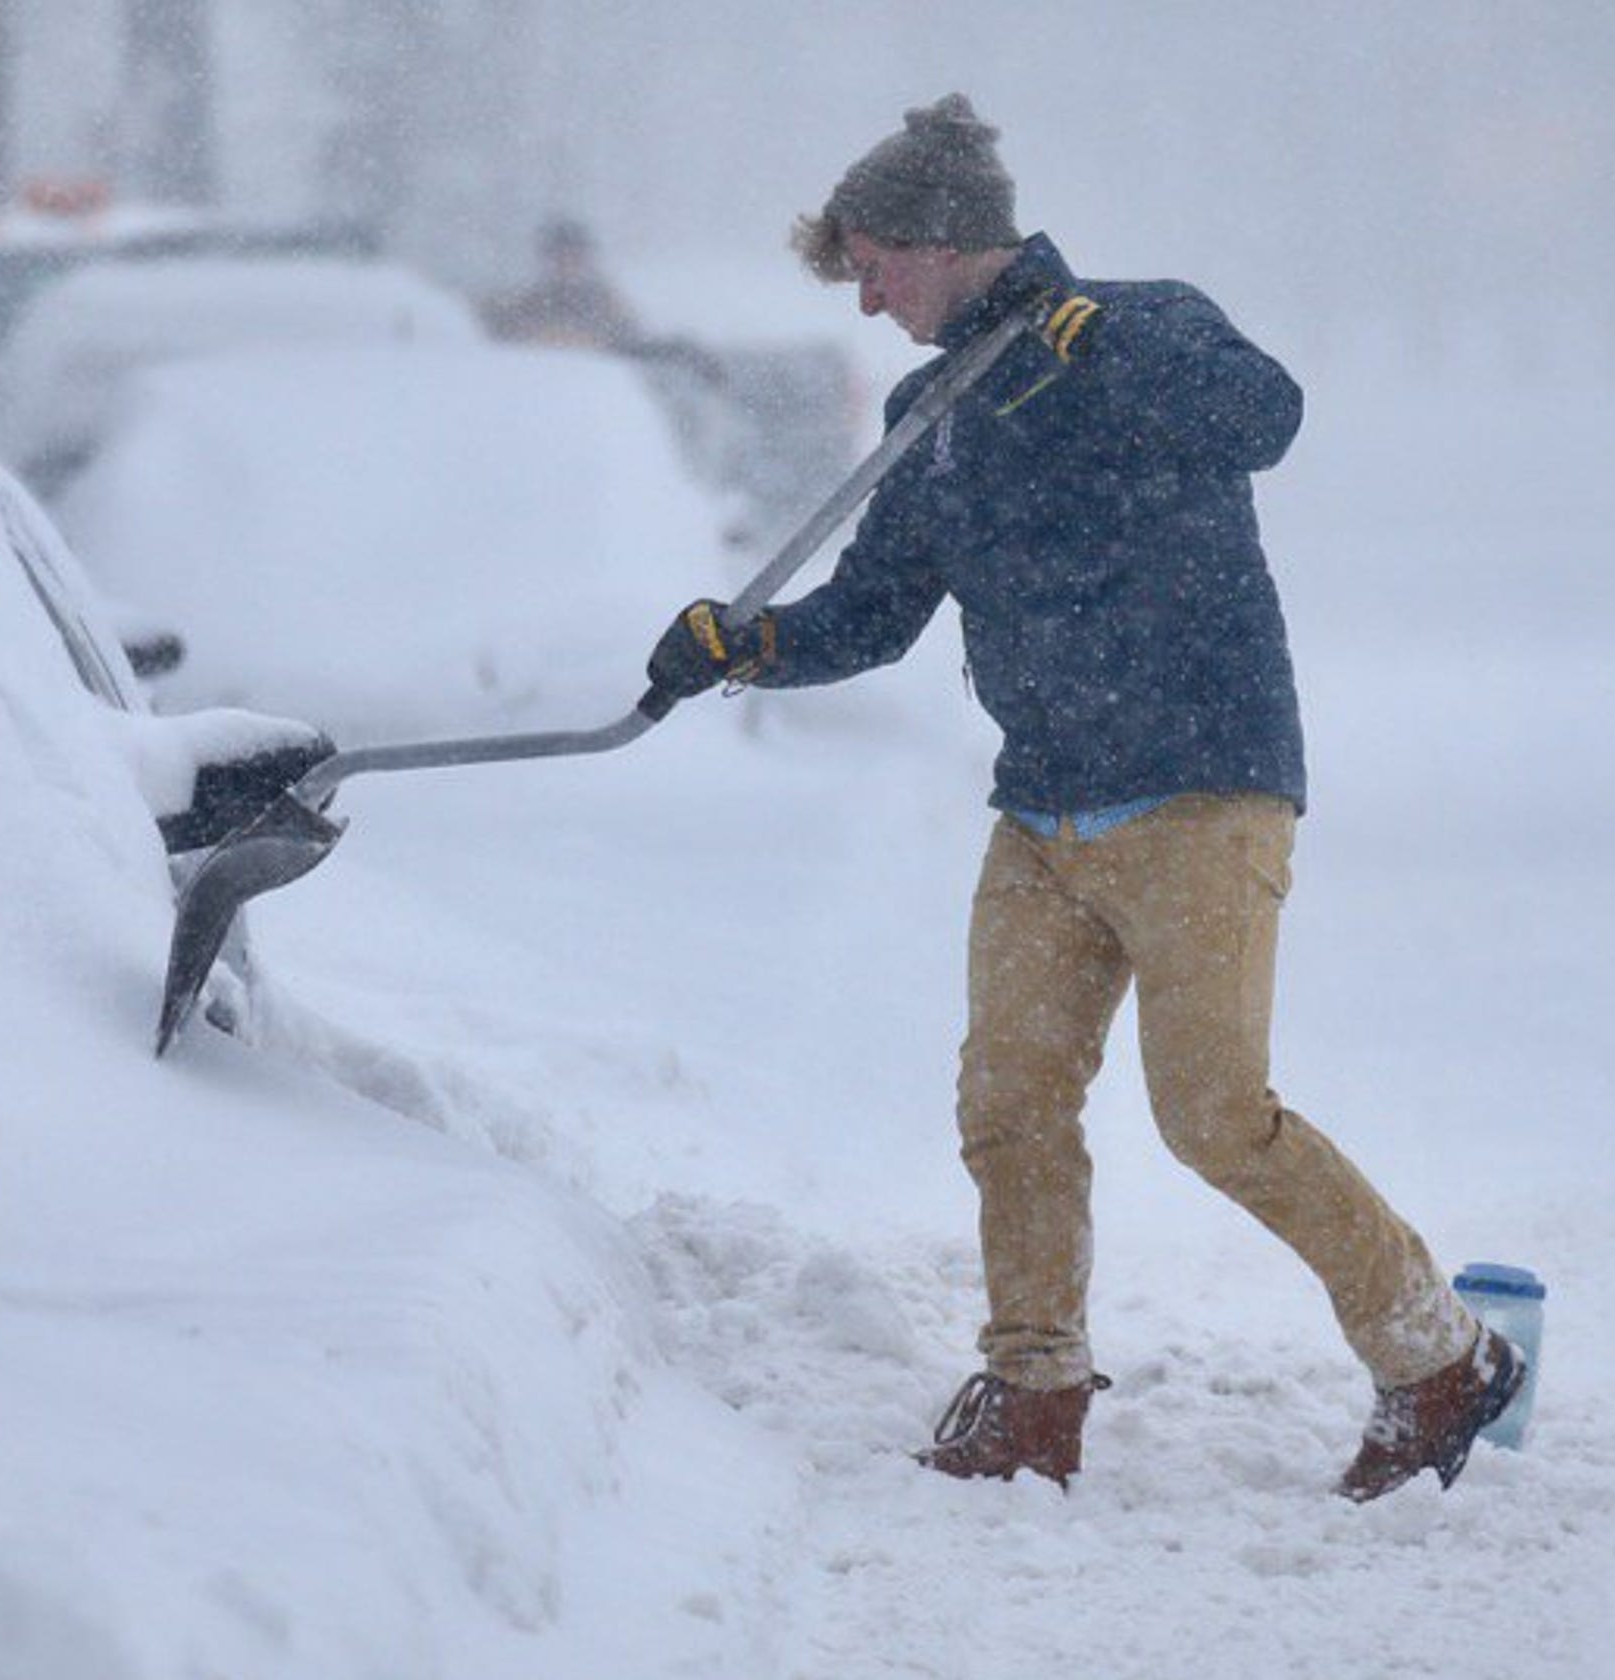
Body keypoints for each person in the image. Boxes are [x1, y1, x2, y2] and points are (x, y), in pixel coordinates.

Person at [643, 94, 1522, 1502]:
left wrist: (1098, 351)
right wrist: (745, 645)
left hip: (1198, 789)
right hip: (1043, 806)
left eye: (875, 265)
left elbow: (1265, 418)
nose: (865, 301)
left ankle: (1438, 1359)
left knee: (1215, 1116)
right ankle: (1034, 1393)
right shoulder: (932, 407)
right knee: (1008, 1106)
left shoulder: (1144, 324)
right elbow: (875, 613)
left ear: (945, 241)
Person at [481, 215, 646, 350]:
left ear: (586, 259)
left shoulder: (605, 303)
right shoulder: (526, 304)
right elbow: (501, 341)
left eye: (574, 257)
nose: (567, 264)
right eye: (560, 257)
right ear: (547, 260)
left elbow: (628, 340)